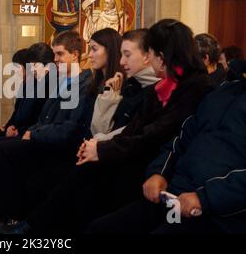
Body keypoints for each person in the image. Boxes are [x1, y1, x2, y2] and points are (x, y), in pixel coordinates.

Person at [0, 19, 214, 234]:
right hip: (129, 154)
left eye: (129, 54)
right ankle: (25, 225)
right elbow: (133, 128)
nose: (123, 60)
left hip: (152, 167)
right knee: (44, 169)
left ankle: (29, 228)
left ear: (161, 55)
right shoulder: (155, 87)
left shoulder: (192, 88)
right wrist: (97, 144)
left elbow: (158, 134)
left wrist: (100, 147)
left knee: (76, 182)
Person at [88, 60, 246, 234]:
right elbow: (182, 137)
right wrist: (158, 172)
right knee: (101, 228)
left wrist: (205, 198)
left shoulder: (200, 86)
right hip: (174, 195)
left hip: (217, 212)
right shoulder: (223, 92)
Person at [0, 30, 94, 228]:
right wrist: (31, 131)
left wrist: (33, 133)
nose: (55, 60)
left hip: (62, 147)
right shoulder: (61, 81)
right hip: (45, 138)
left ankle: (10, 216)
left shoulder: (84, 84)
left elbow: (68, 129)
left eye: (60, 54)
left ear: (75, 55)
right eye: (54, 55)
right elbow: (43, 117)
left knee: (3, 149)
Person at [0, 43, 54, 223]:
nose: (17, 72)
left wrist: (18, 129)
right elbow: (19, 112)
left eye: (19, 68)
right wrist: (9, 125)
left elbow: (36, 118)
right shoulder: (30, 85)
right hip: (22, 129)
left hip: (32, 134)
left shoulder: (45, 85)